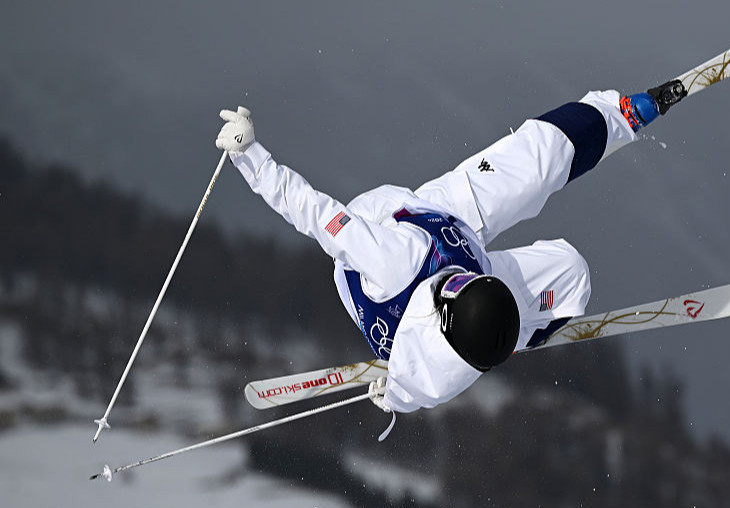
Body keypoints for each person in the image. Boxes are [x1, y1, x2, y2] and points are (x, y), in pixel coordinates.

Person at [216, 80, 686, 415]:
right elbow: (413, 389)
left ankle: (616, 115)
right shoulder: (436, 363)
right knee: (572, 270)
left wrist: (249, 156)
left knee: (535, 162)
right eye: (469, 280)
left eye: (465, 282)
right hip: (442, 231)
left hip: (412, 225)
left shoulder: (386, 259)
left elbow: (315, 213)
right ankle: (524, 325)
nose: (464, 277)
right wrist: (395, 392)